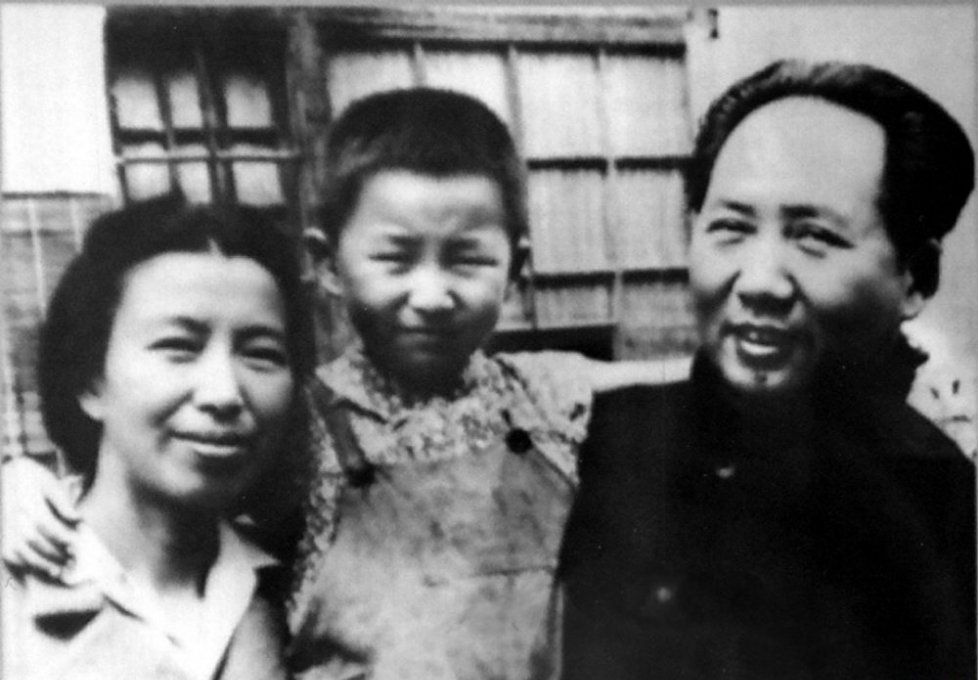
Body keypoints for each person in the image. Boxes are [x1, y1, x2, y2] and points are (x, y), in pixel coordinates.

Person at [4, 88, 676, 680]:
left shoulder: (553, 398)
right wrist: (25, 488)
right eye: (396, 258)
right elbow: (154, 486)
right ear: (327, 263)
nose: (432, 295)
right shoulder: (297, 425)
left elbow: (697, 382)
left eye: (467, 259)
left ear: (516, 269)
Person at [558, 59, 976, 680]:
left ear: (916, 277)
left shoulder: (943, 500)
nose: (758, 282)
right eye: (730, 228)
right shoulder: (613, 441)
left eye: (813, 237)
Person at [2, 193, 313, 679]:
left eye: (261, 353)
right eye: (178, 346)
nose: (224, 393)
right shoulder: (14, 586)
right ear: (90, 381)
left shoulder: (303, 590)